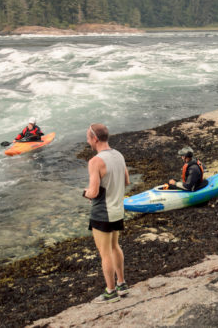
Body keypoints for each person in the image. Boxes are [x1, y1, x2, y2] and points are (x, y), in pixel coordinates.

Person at [83, 123, 131, 303]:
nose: (88, 142)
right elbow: (126, 180)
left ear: (95, 139)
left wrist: (84, 192)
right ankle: (121, 284)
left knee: (105, 253)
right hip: (118, 209)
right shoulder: (118, 155)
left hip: (102, 212)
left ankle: (110, 292)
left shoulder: (95, 161)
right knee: (115, 247)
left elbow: (94, 192)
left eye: (88, 138)